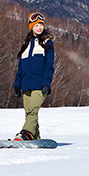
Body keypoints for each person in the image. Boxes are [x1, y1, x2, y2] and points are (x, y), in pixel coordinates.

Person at [13, 12, 55, 140]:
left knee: (32, 111)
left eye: (41, 25)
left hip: (39, 84)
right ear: (31, 26)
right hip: (26, 84)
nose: (39, 28)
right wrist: (17, 84)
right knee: (29, 113)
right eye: (36, 25)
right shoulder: (25, 45)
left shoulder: (47, 43)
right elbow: (20, 67)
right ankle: (36, 139)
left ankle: (25, 134)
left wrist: (46, 84)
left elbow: (49, 66)